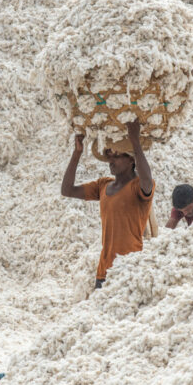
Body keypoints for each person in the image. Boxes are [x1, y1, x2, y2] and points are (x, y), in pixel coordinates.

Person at [61, 119, 154, 291]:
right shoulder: (103, 185)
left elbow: (147, 180)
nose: (111, 160)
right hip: (104, 270)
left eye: (117, 156)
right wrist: (77, 153)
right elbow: (67, 190)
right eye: (109, 156)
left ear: (131, 160)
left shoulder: (138, 187)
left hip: (130, 267)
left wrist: (135, 141)